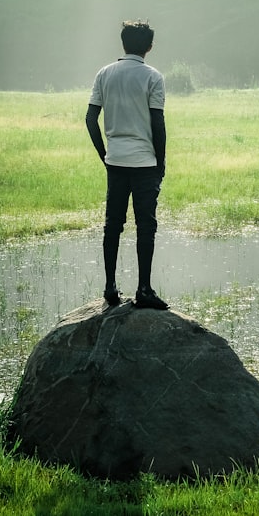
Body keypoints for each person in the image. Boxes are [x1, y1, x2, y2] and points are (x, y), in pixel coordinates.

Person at [85, 20, 169, 310]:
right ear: (149, 46)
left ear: (123, 43)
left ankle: (110, 287)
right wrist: (161, 161)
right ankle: (143, 289)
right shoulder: (153, 77)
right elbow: (158, 123)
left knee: (113, 225)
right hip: (144, 162)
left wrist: (103, 153)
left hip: (116, 161)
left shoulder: (104, 74)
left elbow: (90, 120)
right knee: (145, 226)